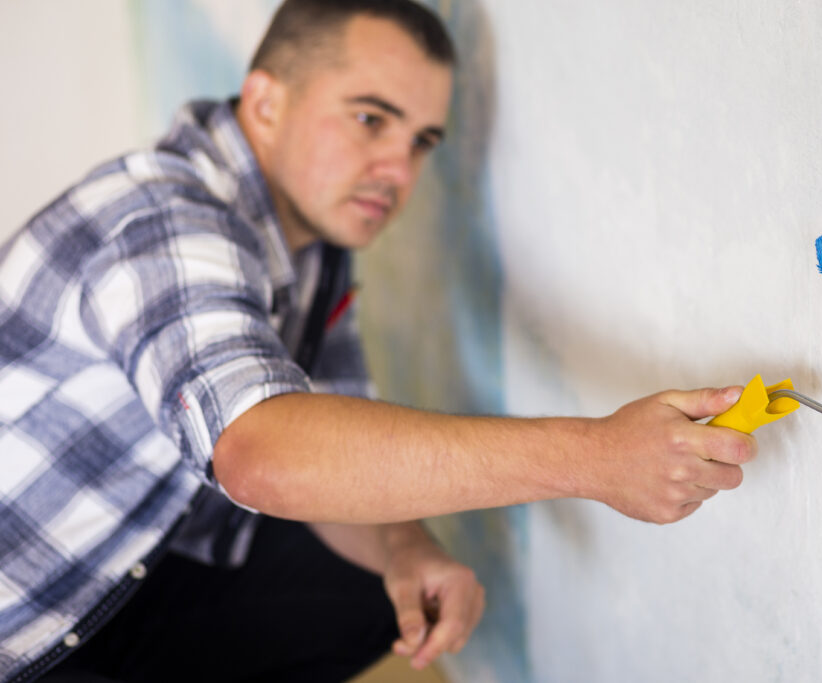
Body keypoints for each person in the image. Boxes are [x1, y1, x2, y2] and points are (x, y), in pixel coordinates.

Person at [0, 1, 758, 681]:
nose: (399, 170)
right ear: (266, 102)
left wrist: (404, 551)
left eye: (422, 140)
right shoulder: (171, 223)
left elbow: (330, 430)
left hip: (115, 580)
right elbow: (264, 453)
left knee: (375, 587)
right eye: (370, 118)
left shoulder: (308, 249)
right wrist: (598, 457)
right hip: (24, 631)